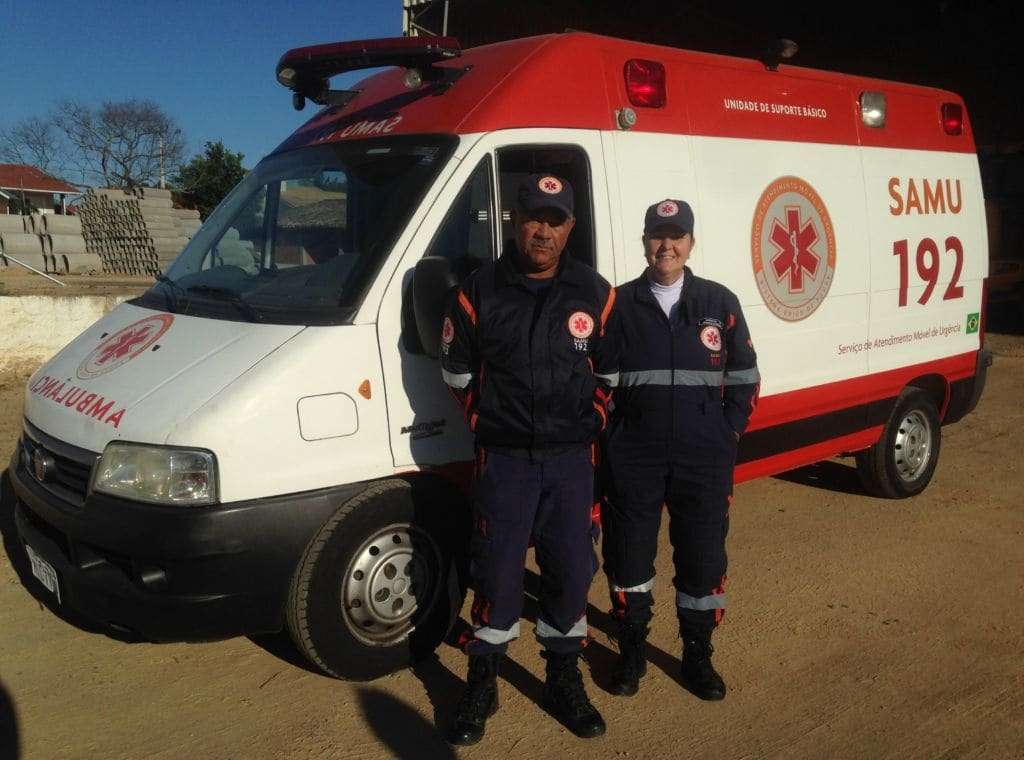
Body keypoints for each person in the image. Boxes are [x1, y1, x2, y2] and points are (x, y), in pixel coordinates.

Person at [440, 174, 617, 745]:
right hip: (506, 460)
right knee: (495, 570)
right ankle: (483, 680)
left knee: (569, 571)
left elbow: (611, 376)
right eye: (534, 217)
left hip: (570, 463)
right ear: (516, 220)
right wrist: (487, 421)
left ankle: (562, 677)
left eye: (555, 219)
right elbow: (457, 373)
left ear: (571, 227)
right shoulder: (477, 291)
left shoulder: (597, 294)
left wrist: (589, 419)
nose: (543, 229)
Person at [601, 199, 759, 700]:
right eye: (657, 235)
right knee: (628, 563)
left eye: (677, 236)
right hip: (635, 458)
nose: (666, 245)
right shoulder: (618, 304)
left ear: (691, 242)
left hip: (702, 460)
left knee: (703, 562)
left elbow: (745, 378)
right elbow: (597, 384)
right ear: (644, 241)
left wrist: (724, 434)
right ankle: (631, 652)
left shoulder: (719, 302)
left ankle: (697, 655)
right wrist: (613, 439)